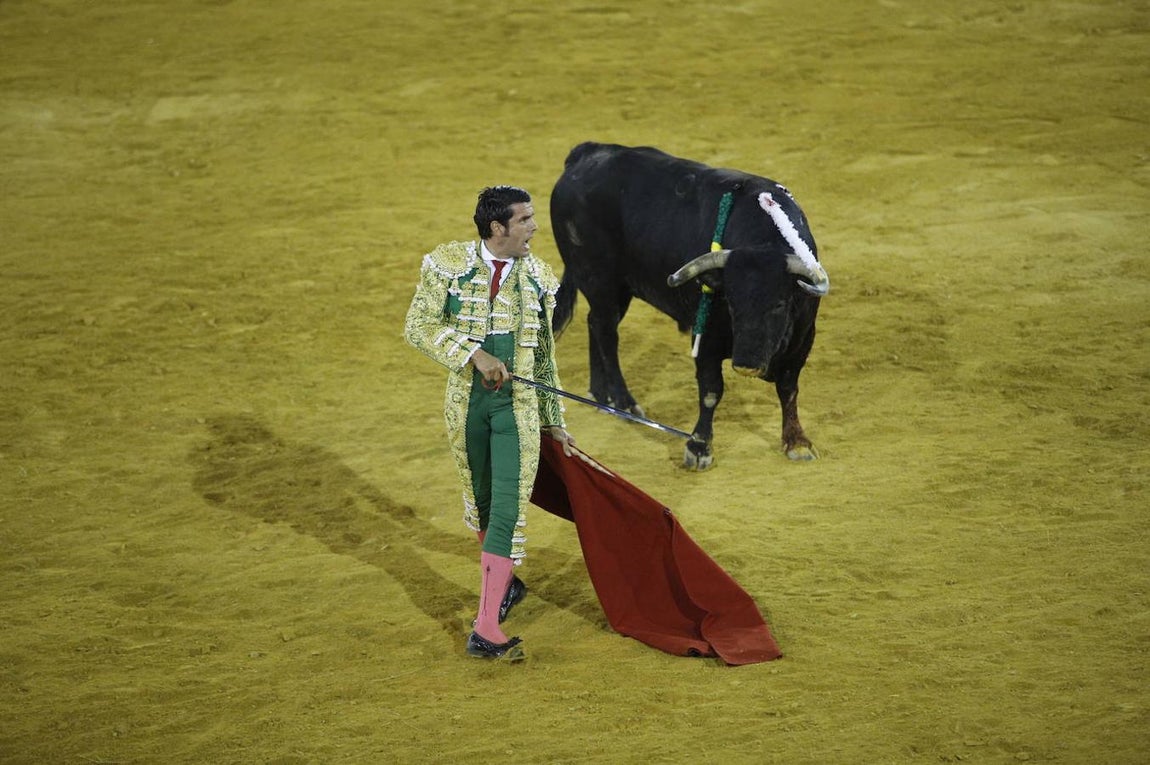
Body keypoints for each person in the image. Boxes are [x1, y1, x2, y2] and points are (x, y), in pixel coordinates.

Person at [403, 185, 577, 662]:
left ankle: (485, 628)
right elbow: (417, 326)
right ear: (497, 227)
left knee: (505, 511)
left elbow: (543, 360)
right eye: (524, 220)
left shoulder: (540, 277)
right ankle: (504, 584)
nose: (534, 228)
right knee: (481, 504)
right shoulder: (448, 263)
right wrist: (473, 355)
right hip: (465, 405)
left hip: (514, 409)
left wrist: (553, 420)